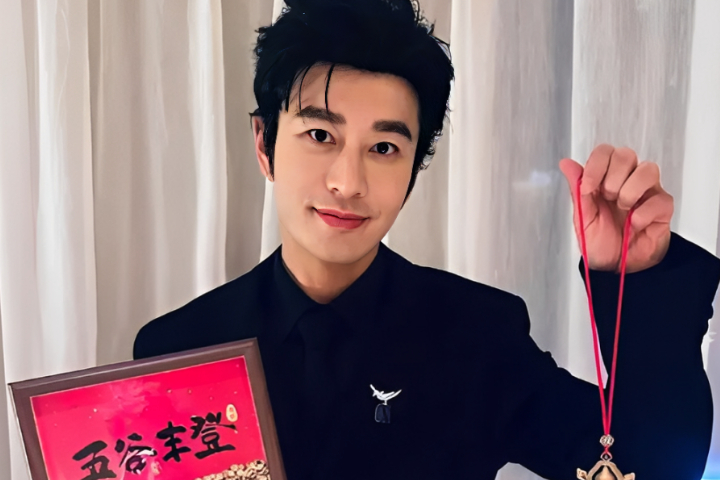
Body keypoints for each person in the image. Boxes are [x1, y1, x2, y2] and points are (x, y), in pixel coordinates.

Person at [133, 0, 720, 478]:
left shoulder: (476, 335)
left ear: (414, 168)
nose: (348, 182)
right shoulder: (178, 348)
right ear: (265, 144)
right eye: (320, 135)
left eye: (384, 147)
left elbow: (648, 466)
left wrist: (640, 277)